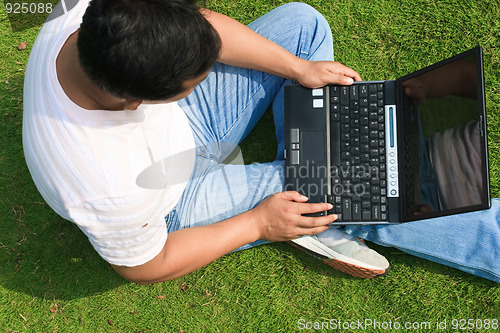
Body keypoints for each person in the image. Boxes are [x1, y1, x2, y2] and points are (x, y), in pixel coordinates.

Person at [22, 0, 498, 284]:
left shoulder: (98, 13)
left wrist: (299, 69)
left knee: (303, 26)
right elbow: (145, 263)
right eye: (195, 78)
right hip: (169, 200)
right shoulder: (103, 184)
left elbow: (203, 25)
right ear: (137, 101)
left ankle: (311, 197)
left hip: (178, 128)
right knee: (349, 178)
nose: (211, 74)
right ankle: (318, 206)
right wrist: (257, 223)